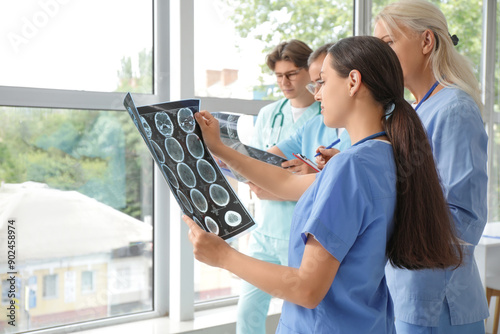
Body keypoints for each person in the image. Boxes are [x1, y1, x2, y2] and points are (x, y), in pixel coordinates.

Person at [183, 36, 463, 333]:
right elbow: (285, 182)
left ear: (353, 82)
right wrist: (221, 149)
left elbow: (307, 289)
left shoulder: (350, 166)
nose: (317, 95)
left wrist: (223, 256)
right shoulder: (384, 155)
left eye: (323, 82)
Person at [373, 1, 488, 333]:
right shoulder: (413, 111)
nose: (382, 57)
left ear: (426, 42)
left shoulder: (454, 108)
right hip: (404, 290)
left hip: (437, 298)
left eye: (389, 43)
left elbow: (464, 217)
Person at [236, 39, 320, 334]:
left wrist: (279, 183)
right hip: (265, 230)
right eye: (279, 76)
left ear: (310, 72)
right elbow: (256, 171)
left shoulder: (326, 115)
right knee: (247, 312)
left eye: (291, 74)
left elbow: (318, 184)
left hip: (296, 233)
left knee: (297, 314)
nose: (284, 82)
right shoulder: (269, 114)